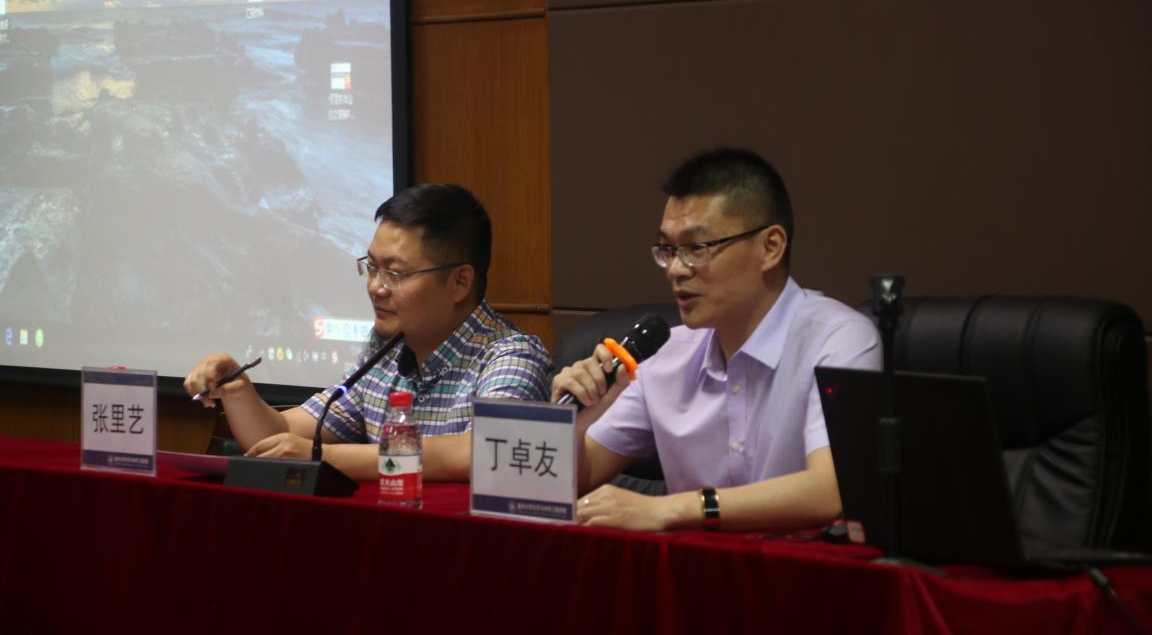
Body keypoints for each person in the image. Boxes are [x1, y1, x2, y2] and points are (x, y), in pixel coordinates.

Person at [550, 148, 880, 532]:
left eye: (696, 248)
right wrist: (573, 424)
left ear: (770, 247)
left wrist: (673, 509)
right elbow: (579, 477)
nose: (675, 270)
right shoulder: (665, 354)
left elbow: (830, 490)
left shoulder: (840, 340)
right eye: (668, 250)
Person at [185, 183, 552, 481]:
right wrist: (238, 391)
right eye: (372, 268)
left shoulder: (511, 356)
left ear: (459, 282)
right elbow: (281, 434)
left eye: (395, 273)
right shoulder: (385, 355)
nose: (376, 287)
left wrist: (323, 457)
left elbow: (487, 451)